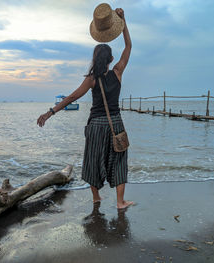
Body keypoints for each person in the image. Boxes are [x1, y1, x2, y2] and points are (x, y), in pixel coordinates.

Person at [37, 8, 133, 209]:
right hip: (115, 122)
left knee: (92, 160)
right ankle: (120, 202)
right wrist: (124, 23)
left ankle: (96, 198)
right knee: (119, 160)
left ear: (95, 59)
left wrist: (50, 112)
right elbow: (129, 46)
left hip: (97, 125)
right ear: (111, 60)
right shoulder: (117, 72)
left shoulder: (91, 80)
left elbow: (72, 97)